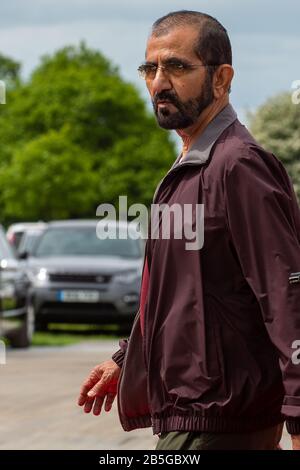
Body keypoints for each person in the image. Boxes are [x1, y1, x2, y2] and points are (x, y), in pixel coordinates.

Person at [78, 10, 300, 450]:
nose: (159, 81)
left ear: (221, 78)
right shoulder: (187, 170)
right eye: (150, 68)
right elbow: (176, 292)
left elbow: (287, 295)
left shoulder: (238, 165)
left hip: (219, 423)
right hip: (193, 415)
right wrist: (126, 358)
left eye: (177, 66)